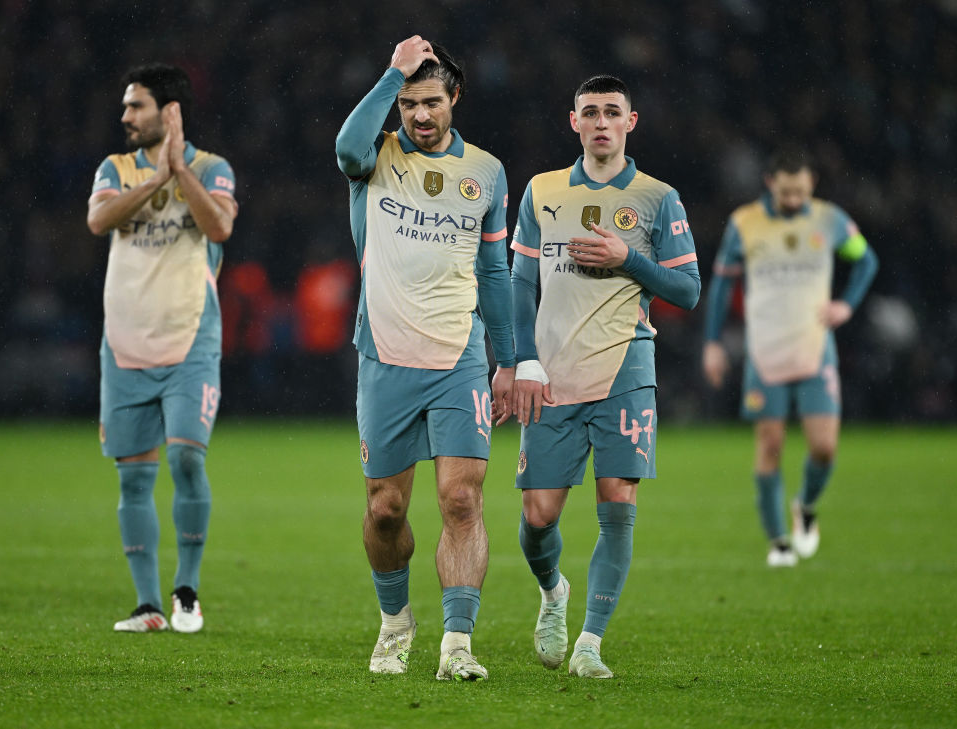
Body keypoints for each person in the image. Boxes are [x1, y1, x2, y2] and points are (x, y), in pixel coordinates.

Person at [335, 36, 515, 681]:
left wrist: (509, 361)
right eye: (409, 104)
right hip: (384, 355)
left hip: (459, 358)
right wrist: (392, 73)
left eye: (430, 102)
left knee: (461, 500)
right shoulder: (375, 158)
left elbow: (494, 274)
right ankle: (394, 622)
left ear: (455, 99)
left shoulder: (487, 173)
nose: (419, 116)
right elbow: (344, 147)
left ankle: (458, 646)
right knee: (386, 508)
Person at [509, 75, 700, 678]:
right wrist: (520, 360)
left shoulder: (657, 198)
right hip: (552, 373)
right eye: (589, 112)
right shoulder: (541, 191)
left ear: (630, 122)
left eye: (610, 112)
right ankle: (553, 594)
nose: (599, 122)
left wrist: (630, 259)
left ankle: (590, 642)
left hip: (626, 365)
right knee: (538, 518)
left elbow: (688, 291)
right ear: (573, 123)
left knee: (617, 499)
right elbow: (519, 282)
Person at [86, 63, 238, 632]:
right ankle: (148, 605)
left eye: (137, 106)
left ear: (168, 111)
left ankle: (187, 590)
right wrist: (155, 180)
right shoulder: (116, 168)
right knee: (132, 479)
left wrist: (179, 171)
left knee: (185, 458)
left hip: (190, 339)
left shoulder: (210, 168)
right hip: (124, 343)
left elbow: (218, 228)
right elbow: (99, 219)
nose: (125, 116)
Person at [701, 146, 878, 567]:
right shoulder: (745, 223)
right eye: (787, 192)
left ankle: (807, 506)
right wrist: (712, 342)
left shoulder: (829, 220)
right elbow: (723, 284)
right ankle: (778, 541)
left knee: (824, 449)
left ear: (810, 183)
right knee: (770, 445)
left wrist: (846, 305)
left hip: (816, 351)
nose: (795, 199)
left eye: (801, 191)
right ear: (770, 184)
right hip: (766, 353)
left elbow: (865, 260)